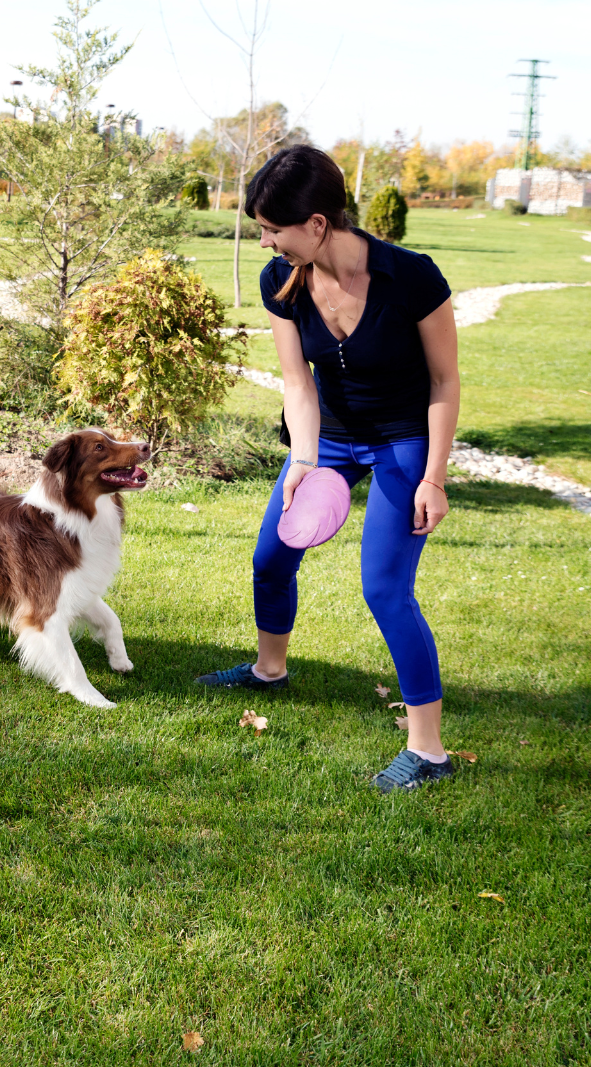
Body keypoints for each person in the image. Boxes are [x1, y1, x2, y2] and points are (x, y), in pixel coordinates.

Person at [197, 146, 460, 794]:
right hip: (332, 440)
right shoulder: (281, 281)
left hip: (402, 440)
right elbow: (297, 383)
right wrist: (305, 460)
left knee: (385, 589)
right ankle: (269, 669)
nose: (263, 241)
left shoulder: (411, 278)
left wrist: (433, 476)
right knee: (270, 555)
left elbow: (446, 380)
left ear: (317, 224)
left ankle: (428, 751)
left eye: (271, 228)